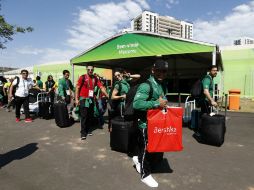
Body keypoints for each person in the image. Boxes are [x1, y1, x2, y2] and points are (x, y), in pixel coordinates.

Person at [132, 59, 168, 188]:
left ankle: (138, 160)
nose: (162, 73)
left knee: (155, 147)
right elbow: (136, 104)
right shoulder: (146, 85)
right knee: (146, 149)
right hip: (145, 124)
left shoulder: (162, 84)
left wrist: (164, 104)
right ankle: (145, 175)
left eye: (164, 71)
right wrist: (156, 103)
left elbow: (163, 99)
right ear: (153, 70)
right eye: (159, 71)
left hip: (157, 124)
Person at [75, 65, 109, 140]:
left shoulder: (95, 78)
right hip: (83, 99)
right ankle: (83, 133)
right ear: (86, 69)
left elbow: (101, 87)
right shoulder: (82, 77)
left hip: (91, 100)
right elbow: (77, 88)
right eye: (89, 69)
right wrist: (76, 99)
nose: (90, 71)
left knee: (90, 116)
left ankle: (89, 129)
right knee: (84, 116)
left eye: (92, 70)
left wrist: (107, 95)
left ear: (93, 70)